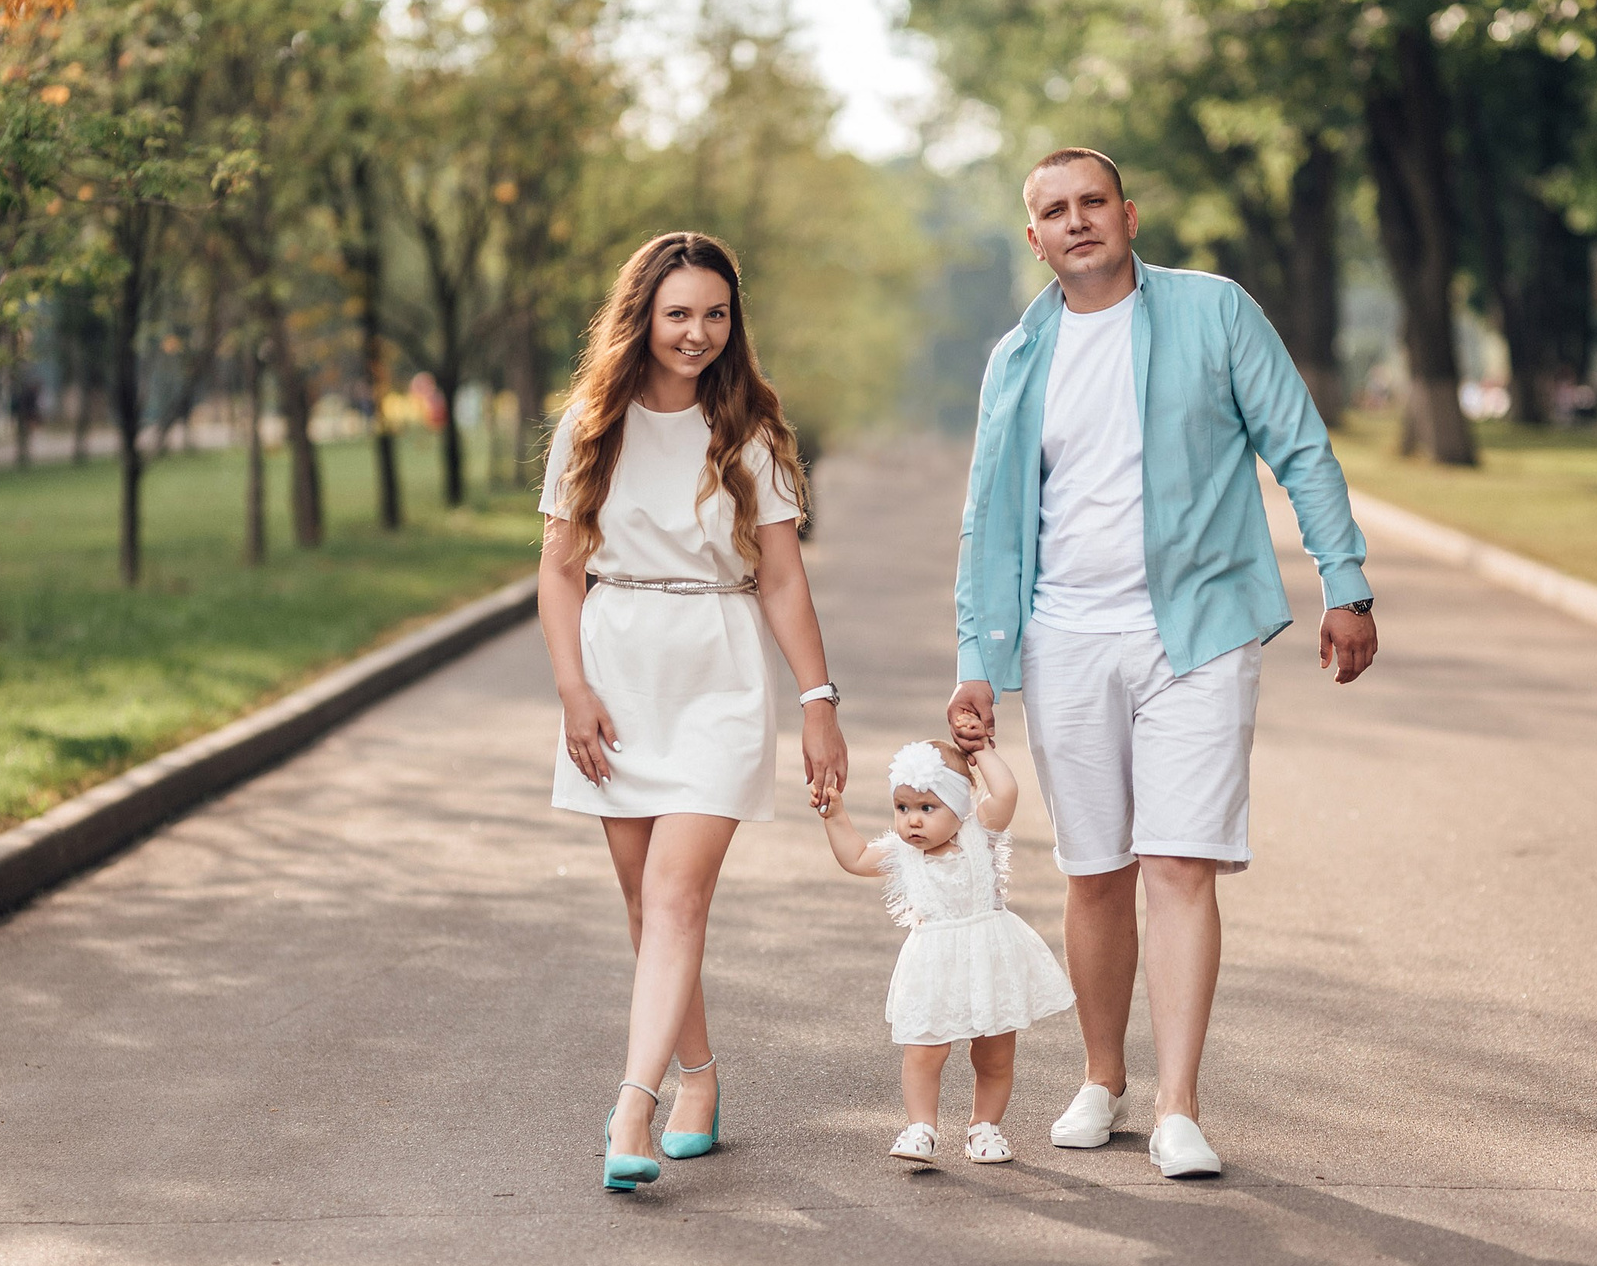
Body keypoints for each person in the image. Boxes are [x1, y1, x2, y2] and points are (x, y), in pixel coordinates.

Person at [946, 147, 1377, 1180]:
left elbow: (1300, 446)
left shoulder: (1213, 311)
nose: (1078, 220)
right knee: (1096, 870)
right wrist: (976, 657)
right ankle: (1103, 1079)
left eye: (1093, 201)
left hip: (1199, 630)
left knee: (1181, 861)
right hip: (1065, 638)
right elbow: (988, 519)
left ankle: (1179, 1105)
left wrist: (1346, 581)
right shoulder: (1018, 357)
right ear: (1035, 238)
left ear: (1128, 214)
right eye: (1056, 210)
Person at [538, 231, 848, 1193]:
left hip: (719, 674)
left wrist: (819, 702)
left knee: (677, 901)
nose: (697, 333)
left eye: (716, 314)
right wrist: (573, 690)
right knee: (647, 906)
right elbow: (559, 572)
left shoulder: (749, 430)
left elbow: (783, 581)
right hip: (616, 677)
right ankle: (699, 1080)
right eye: (678, 313)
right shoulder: (590, 424)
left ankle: (632, 1107)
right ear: (641, 317)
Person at [817, 737, 1075, 1168]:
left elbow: (1006, 792)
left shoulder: (979, 833)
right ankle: (921, 1127)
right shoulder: (902, 853)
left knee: (994, 1053)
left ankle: (985, 1126)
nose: (913, 820)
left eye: (927, 807)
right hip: (933, 966)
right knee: (924, 1051)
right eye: (902, 808)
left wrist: (981, 752)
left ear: (959, 805)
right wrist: (835, 816)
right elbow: (856, 857)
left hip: (988, 959)